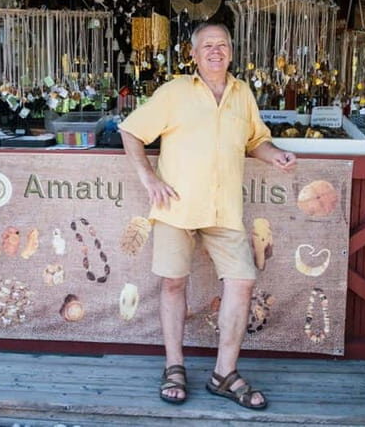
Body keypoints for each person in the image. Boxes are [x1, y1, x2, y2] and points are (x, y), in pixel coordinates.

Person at [119, 23, 296, 409]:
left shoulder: (242, 93)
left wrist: (275, 154)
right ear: (194, 54)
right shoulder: (175, 92)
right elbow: (131, 132)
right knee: (172, 284)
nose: (216, 51)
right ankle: (174, 366)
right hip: (176, 206)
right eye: (207, 46)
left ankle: (224, 373)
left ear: (231, 52)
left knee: (243, 282)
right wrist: (148, 178)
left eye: (222, 45)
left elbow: (256, 140)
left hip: (224, 209)